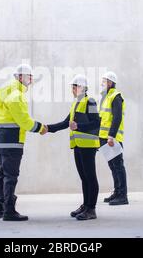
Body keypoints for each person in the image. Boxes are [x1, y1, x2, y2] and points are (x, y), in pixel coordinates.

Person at [0, 64, 48, 221]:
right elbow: (24, 120)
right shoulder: (16, 95)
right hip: (12, 141)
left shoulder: (7, 93)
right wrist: (40, 128)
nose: (31, 80)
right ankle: (9, 211)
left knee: (2, 173)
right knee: (11, 176)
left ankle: (0, 208)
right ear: (21, 77)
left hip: (1, 140)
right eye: (29, 76)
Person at [46, 74, 100, 220]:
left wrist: (79, 126)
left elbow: (97, 122)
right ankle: (85, 205)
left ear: (81, 87)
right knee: (84, 177)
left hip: (88, 145)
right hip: (77, 145)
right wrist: (47, 128)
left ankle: (91, 209)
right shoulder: (76, 103)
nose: (72, 89)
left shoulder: (90, 102)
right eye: (72, 87)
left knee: (90, 177)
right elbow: (66, 123)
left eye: (74, 87)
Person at [99, 71, 129, 205]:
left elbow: (117, 118)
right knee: (113, 166)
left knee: (118, 166)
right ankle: (117, 192)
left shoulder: (116, 97)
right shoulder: (106, 97)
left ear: (110, 83)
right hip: (105, 138)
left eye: (104, 81)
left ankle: (123, 196)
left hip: (112, 138)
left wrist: (111, 136)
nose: (102, 83)